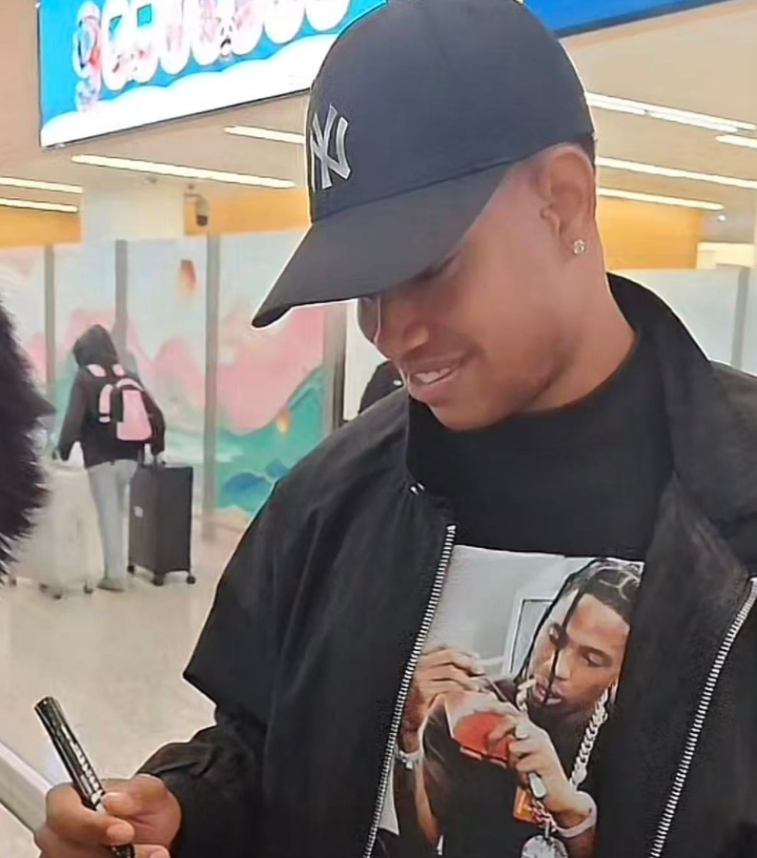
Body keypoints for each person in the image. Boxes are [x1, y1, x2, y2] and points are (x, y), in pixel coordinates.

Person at [37, 1, 757, 857]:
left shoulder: (736, 497)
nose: (388, 331)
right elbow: (260, 746)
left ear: (562, 202)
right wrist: (184, 810)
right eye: (365, 288)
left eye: (428, 268)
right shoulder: (329, 496)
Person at [386, 559, 641, 858]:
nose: (556, 667)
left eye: (591, 660)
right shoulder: (473, 708)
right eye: (555, 638)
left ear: (621, 675)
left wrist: (571, 811)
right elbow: (418, 846)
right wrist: (409, 734)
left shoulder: (632, 748)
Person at [57, 325, 165, 592]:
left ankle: (114, 575)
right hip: (132, 457)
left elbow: (73, 420)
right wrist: (156, 448)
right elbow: (156, 415)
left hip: (101, 458)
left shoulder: (85, 378)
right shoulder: (127, 375)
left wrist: (63, 450)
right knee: (117, 512)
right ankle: (119, 566)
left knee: (108, 515)